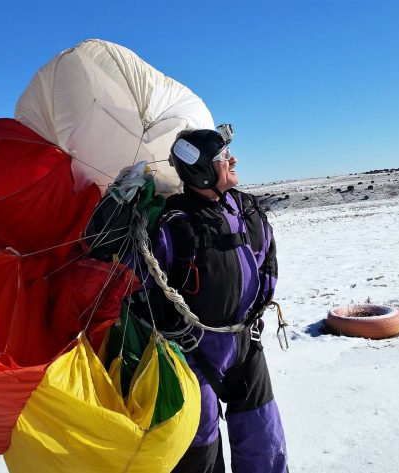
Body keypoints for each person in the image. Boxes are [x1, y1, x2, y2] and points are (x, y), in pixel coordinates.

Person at [150, 125, 288, 473]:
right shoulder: (173, 225)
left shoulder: (246, 208)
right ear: (201, 170)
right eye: (223, 157)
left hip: (246, 345)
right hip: (195, 355)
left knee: (264, 441)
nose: (233, 159)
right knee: (199, 455)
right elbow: (149, 291)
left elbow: (266, 261)